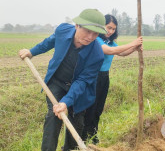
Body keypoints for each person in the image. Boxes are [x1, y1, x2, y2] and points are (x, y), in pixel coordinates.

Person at [19, 9, 106, 151]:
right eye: (88, 31)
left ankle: (70, 149)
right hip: (57, 82)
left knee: (76, 123)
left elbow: (83, 81)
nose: (90, 37)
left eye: (95, 33)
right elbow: (49, 42)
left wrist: (66, 101)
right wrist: (31, 52)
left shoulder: (97, 54)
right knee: (53, 117)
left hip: (79, 92)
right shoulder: (63, 30)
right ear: (77, 25)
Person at [82, 14, 143, 143]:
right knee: (90, 108)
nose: (110, 31)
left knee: (98, 108)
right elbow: (109, 51)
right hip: (93, 77)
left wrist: (135, 48)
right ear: (101, 26)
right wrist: (133, 43)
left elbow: (121, 52)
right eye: (108, 27)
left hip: (104, 77)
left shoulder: (110, 42)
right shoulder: (96, 40)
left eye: (113, 29)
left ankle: (93, 135)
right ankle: (83, 136)